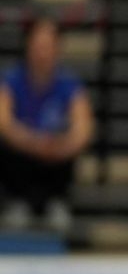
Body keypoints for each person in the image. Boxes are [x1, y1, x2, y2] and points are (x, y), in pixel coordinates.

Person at [0, 17, 92, 235]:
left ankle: (56, 202)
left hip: (55, 159)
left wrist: (62, 146)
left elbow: (83, 129)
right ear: (28, 46)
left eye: (48, 45)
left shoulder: (69, 84)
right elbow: (3, 121)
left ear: (57, 48)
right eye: (38, 45)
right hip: (21, 155)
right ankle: (17, 202)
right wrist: (32, 142)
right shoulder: (11, 80)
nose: (43, 52)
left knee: (68, 146)